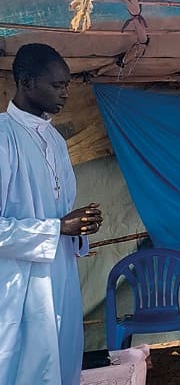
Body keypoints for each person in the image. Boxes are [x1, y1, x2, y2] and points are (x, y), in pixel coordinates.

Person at [0, 43, 103, 384]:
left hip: (61, 277)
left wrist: (79, 225)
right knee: (24, 367)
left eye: (67, 85)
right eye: (57, 85)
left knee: (63, 359)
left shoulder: (56, 140)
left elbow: (62, 212)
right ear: (27, 83)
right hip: (18, 283)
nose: (66, 93)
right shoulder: (3, 138)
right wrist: (57, 228)